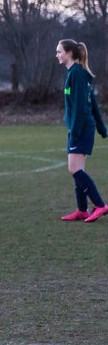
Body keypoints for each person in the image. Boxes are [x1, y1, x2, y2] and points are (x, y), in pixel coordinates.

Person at [56, 40, 108, 222]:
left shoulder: (77, 74)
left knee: (74, 169)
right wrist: (102, 128)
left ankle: (100, 205)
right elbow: (92, 103)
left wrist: (76, 132)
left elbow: (80, 107)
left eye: (59, 51)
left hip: (81, 129)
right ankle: (82, 210)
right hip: (79, 128)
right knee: (78, 169)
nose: (57, 55)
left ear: (69, 53)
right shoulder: (76, 73)